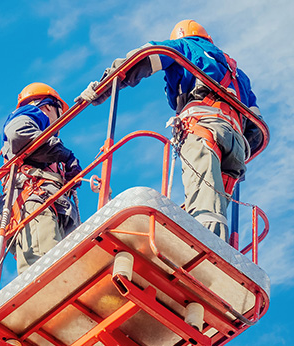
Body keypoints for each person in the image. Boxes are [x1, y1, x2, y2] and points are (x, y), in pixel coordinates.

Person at [77, 20, 263, 242]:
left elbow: (147, 56)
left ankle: (206, 246)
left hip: (204, 128)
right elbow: (257, 129)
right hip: (236, 145)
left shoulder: (185, 46)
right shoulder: (236, 72)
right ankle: (220, 244)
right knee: (216, 201)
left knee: (204, 203)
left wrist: (105, 84)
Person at [1, 82, 82, 274]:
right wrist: (66, 156)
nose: (60, 121)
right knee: (48, 271)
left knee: (63, 272)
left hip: (47, 211)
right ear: (47, 106)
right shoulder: (33, 114)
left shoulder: (47, 147)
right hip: (37, 208)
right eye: (59, 112)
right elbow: (18, 134)